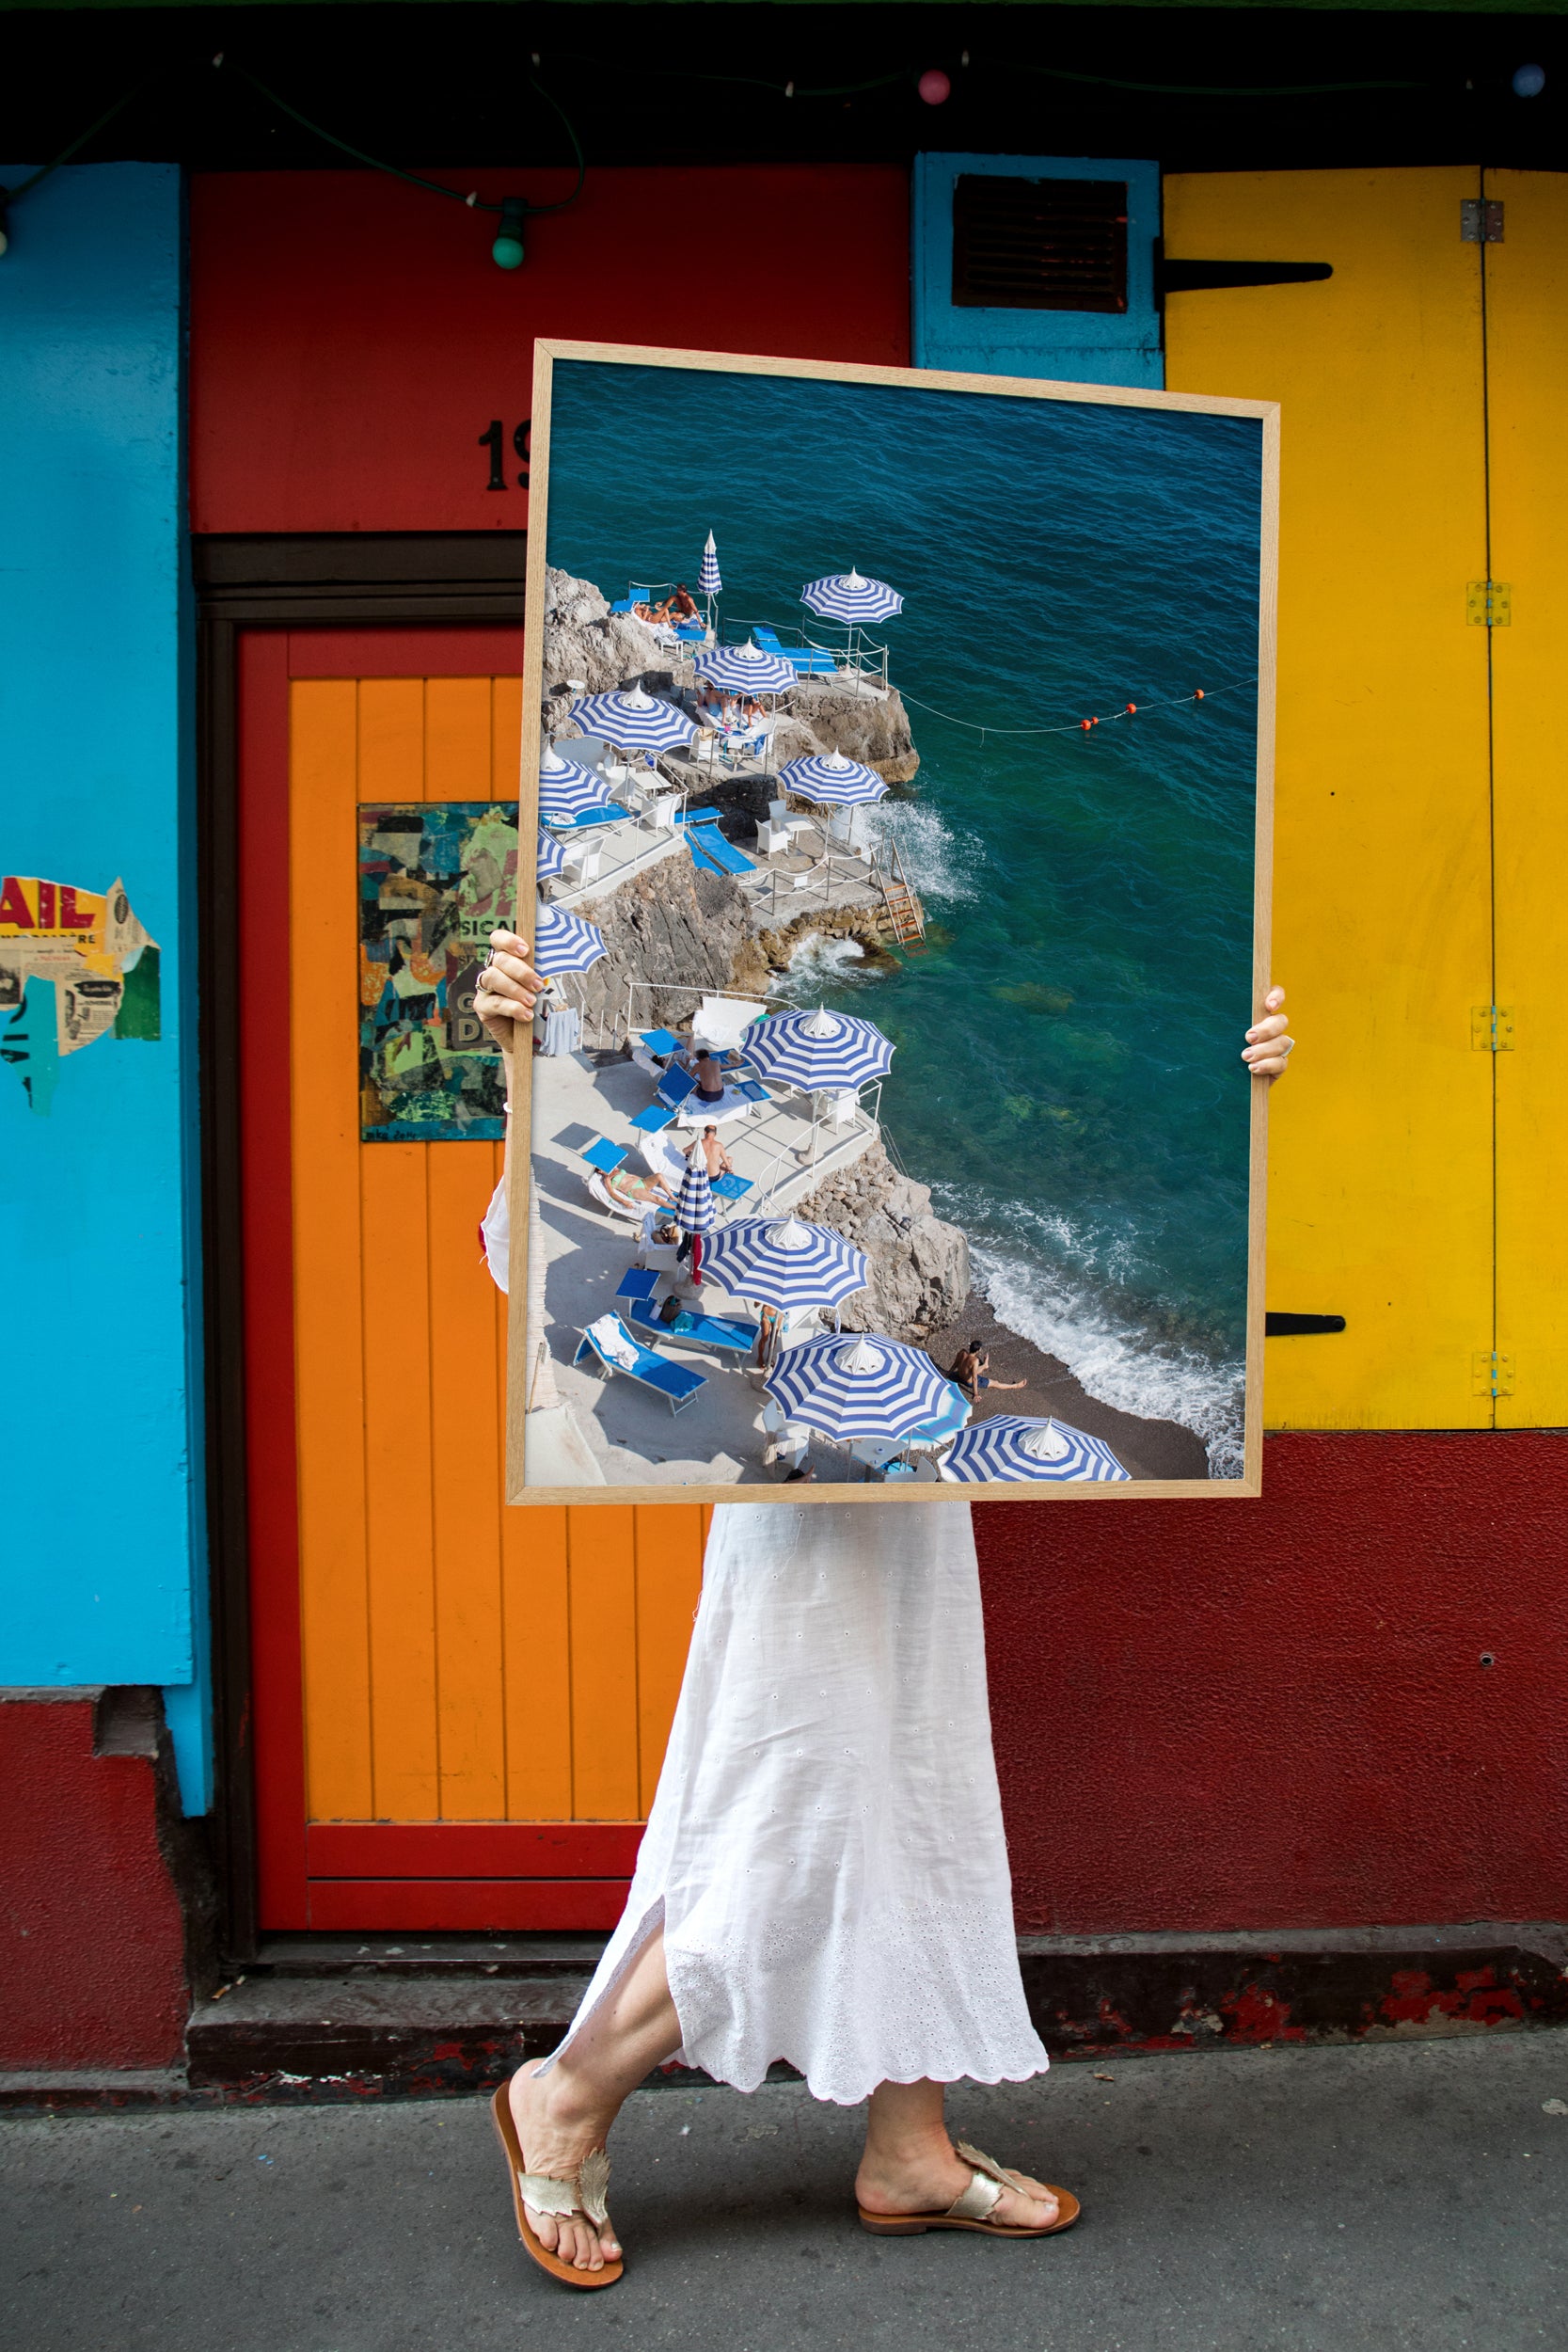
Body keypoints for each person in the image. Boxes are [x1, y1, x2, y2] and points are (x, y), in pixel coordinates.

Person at [473, 930, 1295, 2288]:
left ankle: (905, 2147)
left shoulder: (754, 1147)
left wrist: (1252, 1081)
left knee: (912, 1795)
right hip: (796, 1531)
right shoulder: (660, 1153)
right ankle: (562, 2094)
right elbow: (539, 1252)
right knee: (793, 1809)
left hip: (903, 1507)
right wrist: (516, 1051)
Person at [950, 1342, 1026, 1402]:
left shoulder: (963, 1352)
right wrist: (975, 1394)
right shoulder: (975, 1361)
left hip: (960, 1375)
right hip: (968, 1381)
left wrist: (948, 1373)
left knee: (973, 1369)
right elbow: (975, 1379)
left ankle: (985, 1365)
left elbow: (955, 1363)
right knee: (995, 1383)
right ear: (977, 1350)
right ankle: (1015, 1386)